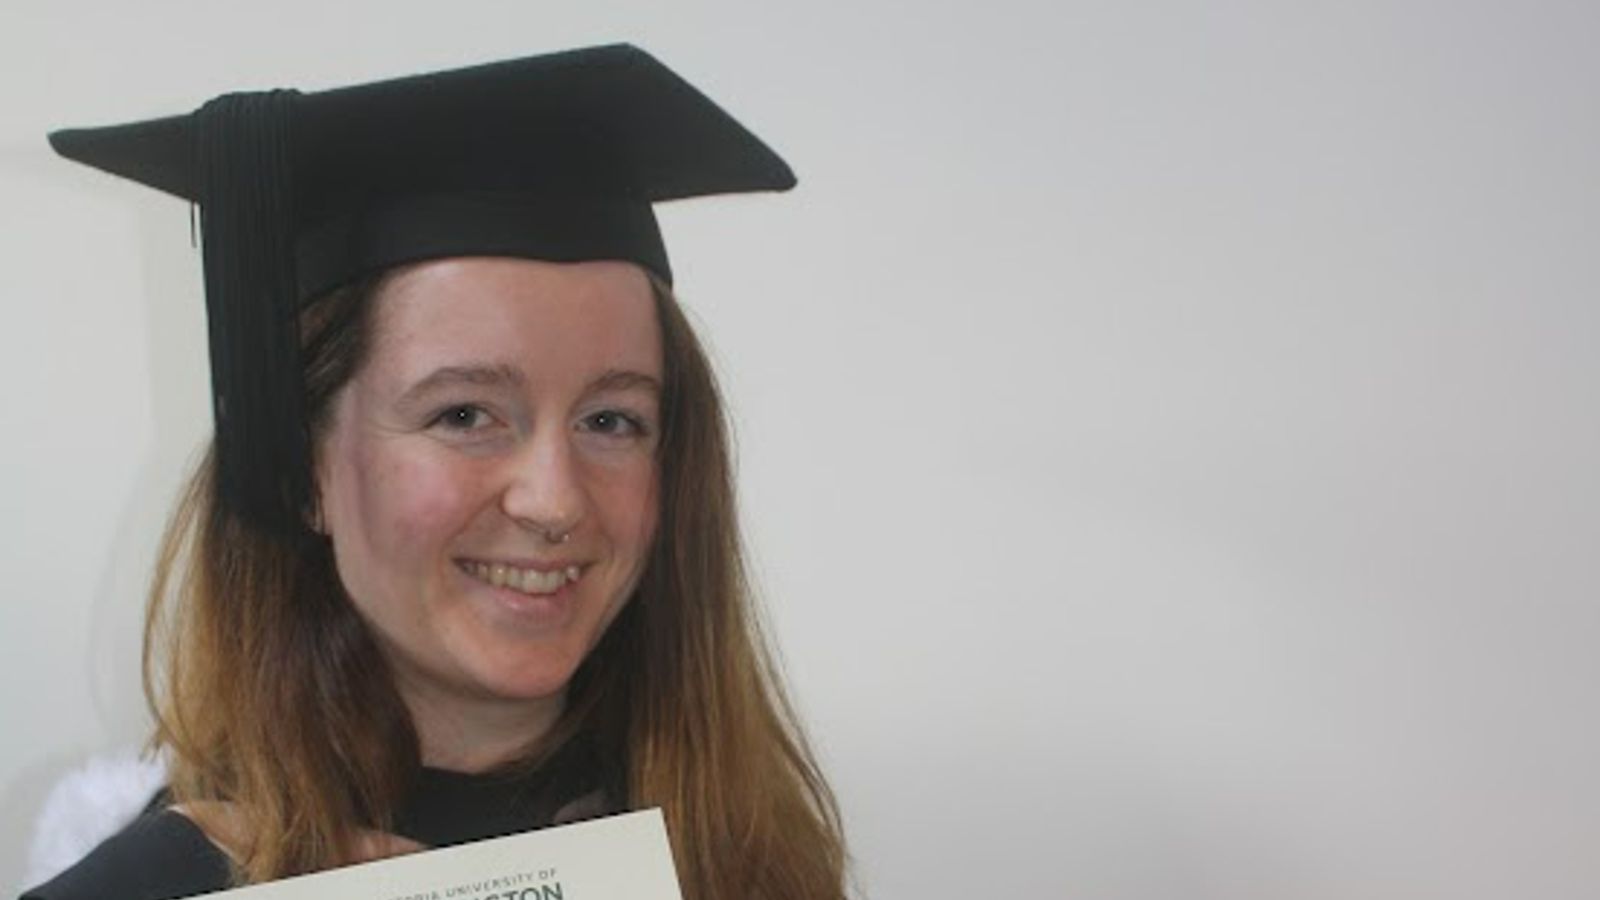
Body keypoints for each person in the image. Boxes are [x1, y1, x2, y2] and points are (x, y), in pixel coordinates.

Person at [25, 44, 846, 900]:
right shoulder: (163, 886)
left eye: (612, 420)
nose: (553, 501)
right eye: (463, 415)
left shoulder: (744, 853)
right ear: (302, 464)